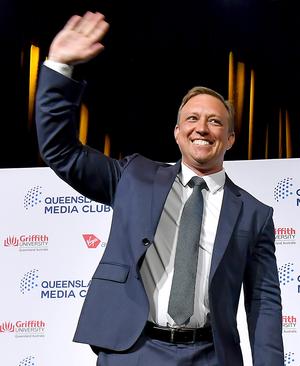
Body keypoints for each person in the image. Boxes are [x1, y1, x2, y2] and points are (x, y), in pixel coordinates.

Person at [36, 11, 283, 366]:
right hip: (132, 351)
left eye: (215, 121)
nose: (203, 128)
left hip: (211, 356)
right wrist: (59, 67)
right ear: (177, 133)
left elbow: (264, 301)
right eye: (192, 119)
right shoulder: (134, 177)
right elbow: (60, 150)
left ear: (230, 138)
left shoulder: (255, 215)